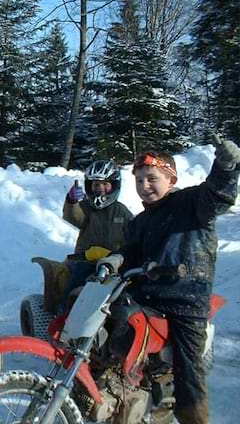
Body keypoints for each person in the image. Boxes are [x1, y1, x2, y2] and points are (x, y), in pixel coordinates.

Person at [96, 137, 240, 424]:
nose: (144, 185)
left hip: (186, 300)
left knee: (189, 370)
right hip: (148, 295)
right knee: (110, 318)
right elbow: (131, 252)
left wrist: (226, 166)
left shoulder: (190, 203)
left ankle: (194, 418)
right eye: (138, 180)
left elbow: (218, 195)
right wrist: (116, 260)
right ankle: (118, 384)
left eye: (152, 178)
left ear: (171, 179)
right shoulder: (141, 220)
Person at [60, 160, 133, 308]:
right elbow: (74, 217)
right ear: (89, 186)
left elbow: (134, 235)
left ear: (114, 185)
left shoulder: (121, 211)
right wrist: (72, 201)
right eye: (96, 185)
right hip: (85, 260)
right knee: (77, 283)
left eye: (105, 184)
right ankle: (64, 313)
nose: (100, 188)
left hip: (112, 264)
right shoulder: (86, 207)